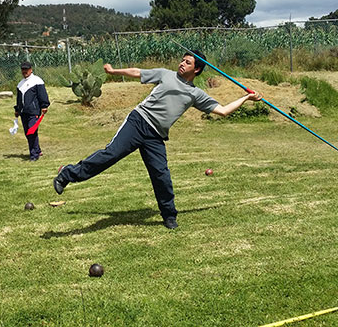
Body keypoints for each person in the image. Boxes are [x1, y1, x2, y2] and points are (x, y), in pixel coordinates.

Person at [53, 51, 263, 229]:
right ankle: (67, 174)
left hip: (155, 136)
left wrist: (246, 98)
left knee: (161, 174)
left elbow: (223, 111)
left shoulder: (196, 94)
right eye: (182, 60)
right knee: (111, 154)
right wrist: (114, 71)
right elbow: (138, 72)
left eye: (188, 62)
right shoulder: (166, 74)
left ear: (197, 69)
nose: (182, 63)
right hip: (138, 122)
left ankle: (169, 215)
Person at [14, 61, 50, 161]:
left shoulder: (37, 81)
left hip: (34, 112)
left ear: (31, 70)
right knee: (27, 132)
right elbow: (19, 99)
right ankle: (37, 150)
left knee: (31, 132)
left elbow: (42, 94)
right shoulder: (20, 84)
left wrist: (44, 106)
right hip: (23, 112)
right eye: (23, 69)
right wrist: (17, 109)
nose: (24, 71)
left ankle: (34, 155)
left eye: (26, 69)